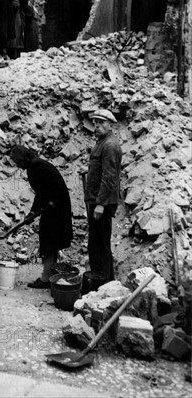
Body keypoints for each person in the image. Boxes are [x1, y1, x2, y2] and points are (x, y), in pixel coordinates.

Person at [10, 145, 73, 288]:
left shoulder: (36, 166)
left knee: (49, 242)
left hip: (56, 207)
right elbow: (41, 192)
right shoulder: (34, 165)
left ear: (23, 158)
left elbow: (53, 187)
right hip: (54, 206)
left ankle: (46, 279)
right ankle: (51, 277)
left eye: (19, 163)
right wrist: (32, 212)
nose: (19, 167)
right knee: (51, 242)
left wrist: (50, 202)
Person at [84, 109, 122, 283]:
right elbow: (102, 171)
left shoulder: (109, 145)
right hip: (96, 199)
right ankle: (104, 281)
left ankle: (103, 283)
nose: (97, 126)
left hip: (102, 202)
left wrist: (100, 204)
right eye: (95, 122)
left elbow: (109, 177)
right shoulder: (101, 142)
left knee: (100, 244)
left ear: (110, 124)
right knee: (96, 243)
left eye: (101, 123)